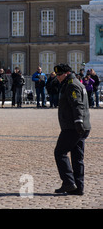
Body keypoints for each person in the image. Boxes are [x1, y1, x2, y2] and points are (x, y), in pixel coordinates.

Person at [53, 63, 91, 195]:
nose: (57, 77)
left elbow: (77, 105)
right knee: (77, 157)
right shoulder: (76, 83)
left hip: (73, 127)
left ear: (67, 73)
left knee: (60, 152)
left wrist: (78, 121)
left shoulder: (72, 85)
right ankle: (78, 187)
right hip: (81, 127)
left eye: (59, 74)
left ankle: (69, 182)